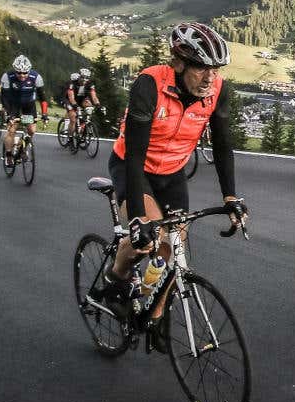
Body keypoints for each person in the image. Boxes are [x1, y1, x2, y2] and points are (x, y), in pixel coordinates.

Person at [93, 22, 245, 319]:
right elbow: (135, 155)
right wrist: (138, 218)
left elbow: (223, 145)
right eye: (201, 68)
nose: (209, 78)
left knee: (173, 248)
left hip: (173, 173)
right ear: (178, 63)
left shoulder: (217, 90)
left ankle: (152, 315)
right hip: (133, 167)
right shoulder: (149, 85)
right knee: (144, 241)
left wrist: (230, 197)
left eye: (215, 69)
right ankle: (115, 276)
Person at [0, 55, 47, 164]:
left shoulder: (36, 77)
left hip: (29, 105)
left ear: (29, 71)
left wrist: (44, 114)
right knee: (12, 130)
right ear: (15, 70)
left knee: (31, 130)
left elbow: (43, 98)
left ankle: (22, 149)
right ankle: (8, 155)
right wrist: (8, 114)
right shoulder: (7, 76)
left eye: (25, 73)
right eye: (19, 72)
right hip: (13, 105)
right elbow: (4, 97)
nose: (22, 75)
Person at [65, 67, 101, 139]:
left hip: (81, 99)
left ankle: (84, 125)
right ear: (79, 77)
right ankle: (70, 138)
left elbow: (94, 97)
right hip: (70, 100)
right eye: (83, 77)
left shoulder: (90, 84)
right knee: (73, 118)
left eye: (87, 78)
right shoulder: (73, 83)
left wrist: (98, 104)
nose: (85, 79)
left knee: (89, 106)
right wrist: (75, 106)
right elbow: (71, 98)